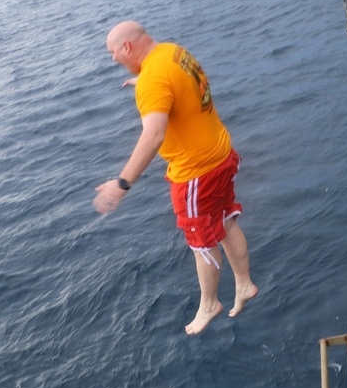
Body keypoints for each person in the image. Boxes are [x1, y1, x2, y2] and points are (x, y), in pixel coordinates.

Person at [94, 21, 258, 335]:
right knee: (225, 222)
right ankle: (244, 283)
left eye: (113, 53)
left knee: (202, 243)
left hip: (197, 173)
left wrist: (122, 183)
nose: (113, 59)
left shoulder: (152, 79)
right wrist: (145, 80)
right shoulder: (171, 52)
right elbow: (174, 83)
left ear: (127, 47)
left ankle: (210, 304)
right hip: (222, 154)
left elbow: (153, 134)